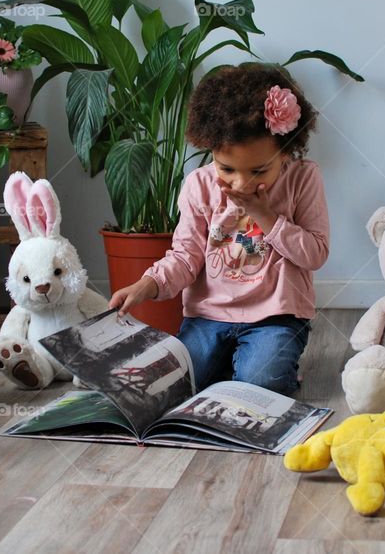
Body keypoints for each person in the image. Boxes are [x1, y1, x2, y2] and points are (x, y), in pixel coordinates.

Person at [108, 64, 330, 395]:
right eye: (226, 168)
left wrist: (264, 214)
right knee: (170, 386)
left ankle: (261, 366)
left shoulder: (303, 178)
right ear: (210, 150)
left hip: (276, 317)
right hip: (208, 318)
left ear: (285, 153)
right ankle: (229, 364)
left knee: (260, 384)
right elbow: (185, 257)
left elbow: (314, 254)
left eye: (258, 170)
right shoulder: (199, 185)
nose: (241, 182)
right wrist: (147, 284)